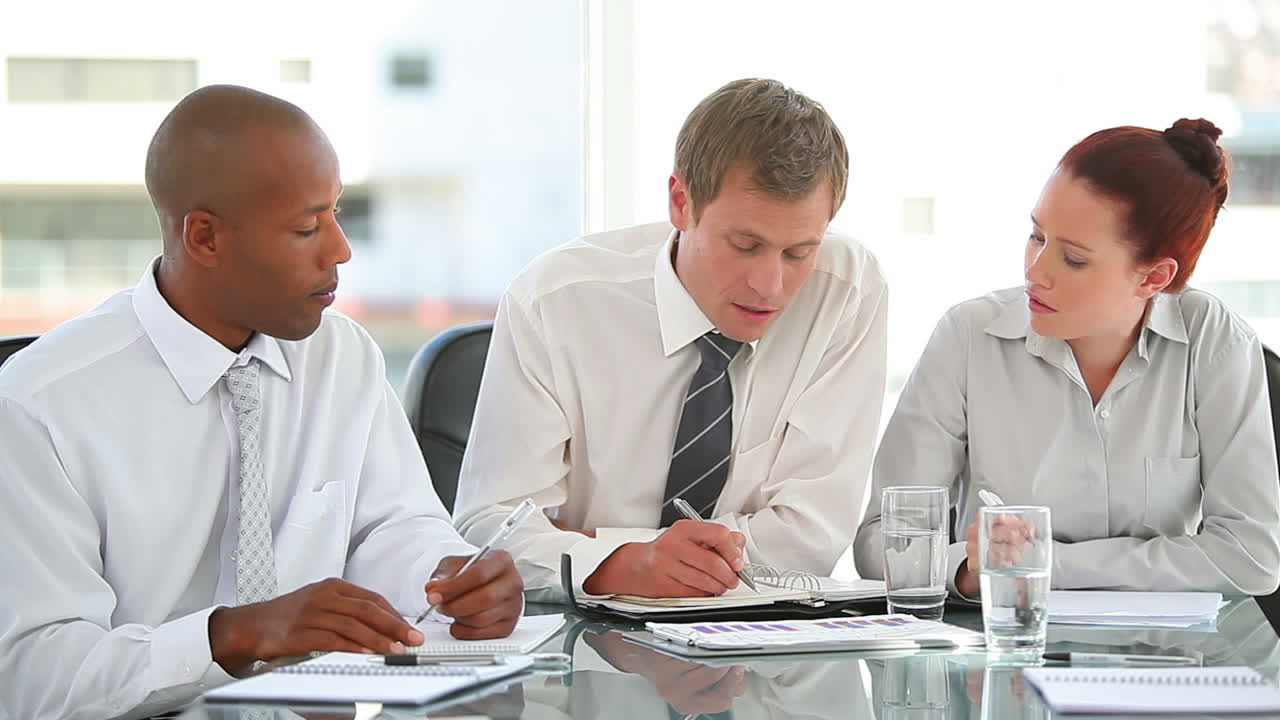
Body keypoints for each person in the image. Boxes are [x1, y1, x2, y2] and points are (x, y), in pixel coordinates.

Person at [0, 85, 523, 720]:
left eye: (336, 215)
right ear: (205, 238)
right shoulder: (38, 405)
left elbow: (392, 525)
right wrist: (235, 634)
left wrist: (452, 579)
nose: (340, 251)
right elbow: (36, 679)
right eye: (307, 227)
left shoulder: (342, 356)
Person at [453, 78, 888, 600]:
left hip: (757, 643)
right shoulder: (555, 300)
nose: (770, 287)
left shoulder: (847, 290)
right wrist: (622, 566)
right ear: (681, 203)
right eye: (745, 245)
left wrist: (596, 548)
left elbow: (810, 538)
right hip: (583, 647)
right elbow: (491, 530)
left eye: (798, 253)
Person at [853, 118, 1280, 598]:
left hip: (1163, 661)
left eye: (1073, 259)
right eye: (1037, 237)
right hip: (1003, 649)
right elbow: (880, 544)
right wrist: (970, 572)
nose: (1036, 272)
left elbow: (1252, 558)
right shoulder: (969, 336)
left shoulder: (1214, 342)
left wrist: (1043, 563)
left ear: (1154, 278)